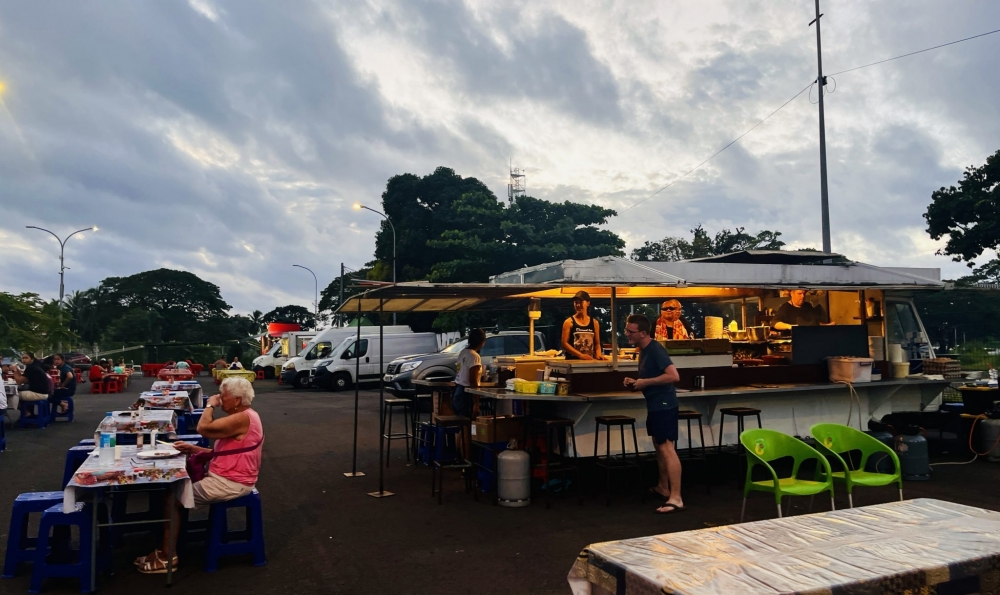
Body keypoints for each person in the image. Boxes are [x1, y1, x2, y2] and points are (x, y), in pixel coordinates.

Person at [135, 376, 264, 574]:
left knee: (173, 498)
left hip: (230, 482)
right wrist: (193, 449)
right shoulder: (247, 415)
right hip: (229, 477)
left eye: (224, 396)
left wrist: (210, 405)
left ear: (237, 400)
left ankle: (168, 556)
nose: (220, 399)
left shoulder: (242, 417)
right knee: (175, 487)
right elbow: (227, 452)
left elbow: (203, 428)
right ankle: (167, 547)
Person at [622, 314, 684, 514]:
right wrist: (636, 382)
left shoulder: (656, 349)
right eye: (626, 330)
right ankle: (663, 487)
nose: (627, 335)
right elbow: (651, 377)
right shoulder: (644, 351)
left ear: (643, 333)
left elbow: (674, 376)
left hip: (664, 404)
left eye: (630, 332)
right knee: (659, 446)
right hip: (657, 404)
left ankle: (676, 498)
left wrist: (645, 382)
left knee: (667, 448)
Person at [561, 290, 605, 360]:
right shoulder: (569, 322)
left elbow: (597, 344)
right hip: (573, 362)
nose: (578, 305)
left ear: (588, 303)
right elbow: (564, 344)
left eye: (581, 302)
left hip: (589, 362)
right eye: (576, 303)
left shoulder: (594, 322)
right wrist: (580, 355)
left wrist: (598, 354)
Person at [452, 328, 485, 419]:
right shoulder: (474, 356)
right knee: (468, 424)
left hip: (457, 390)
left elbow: (458, 370)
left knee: (462, 425)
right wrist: (476, 403)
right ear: (482, 342)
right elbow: (472, 380)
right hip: (466, 394)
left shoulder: (463, 352)